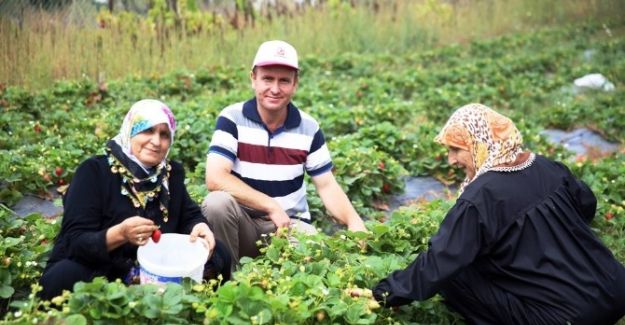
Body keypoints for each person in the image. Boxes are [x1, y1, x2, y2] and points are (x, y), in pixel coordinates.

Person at [354, 103, 625, 324]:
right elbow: (586, 204)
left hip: (569, 318)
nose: (450, 159)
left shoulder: (480, 198)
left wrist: (384, 294)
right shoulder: (545, 166)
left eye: (456, 149)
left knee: (457, 275)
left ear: (480, 143)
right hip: (615, 290)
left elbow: (440, 263)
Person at [39, 99, 231, 300]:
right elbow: (73, 242)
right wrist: (119, 234)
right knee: (63, 276)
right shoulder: (94, 172)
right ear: (129, 130)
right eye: (147, 131)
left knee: (219, 253)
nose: (156, 142)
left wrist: (200, 226)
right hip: (103, 271)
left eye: (164, 134)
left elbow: (189, 214)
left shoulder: (170, 174)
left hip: (156, 274)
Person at [201, 40, 367, 269]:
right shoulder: (232, 119)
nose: (275, 89)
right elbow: (216, 178)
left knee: (316, 256)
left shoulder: (309, 128)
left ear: (295, 84)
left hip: (289, 226)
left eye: (284, 81)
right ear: (253, 78)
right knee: (216, 203)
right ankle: (227, 277)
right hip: (243, 224)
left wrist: (355, 223)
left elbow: (327, 185)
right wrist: (270, 206)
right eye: (267, 79)